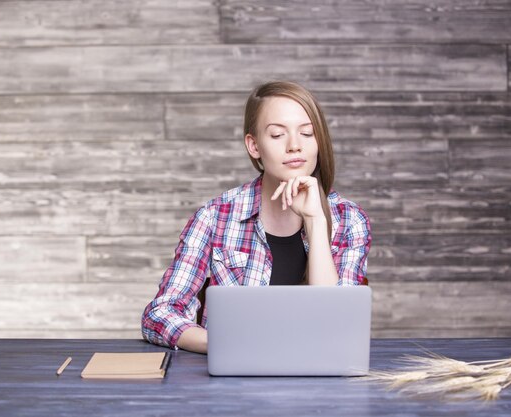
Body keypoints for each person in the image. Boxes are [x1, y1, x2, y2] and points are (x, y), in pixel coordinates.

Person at [141, 81, 371, 354]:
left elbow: (336, 329)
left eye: (307, 133)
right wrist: (224, 345)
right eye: (277, 135)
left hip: (320, 379)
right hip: (233, 382)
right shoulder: (215, 217)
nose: (295, 146)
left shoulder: (350, 220)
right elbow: (159, 314)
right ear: (254, 146)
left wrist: (316, 222)